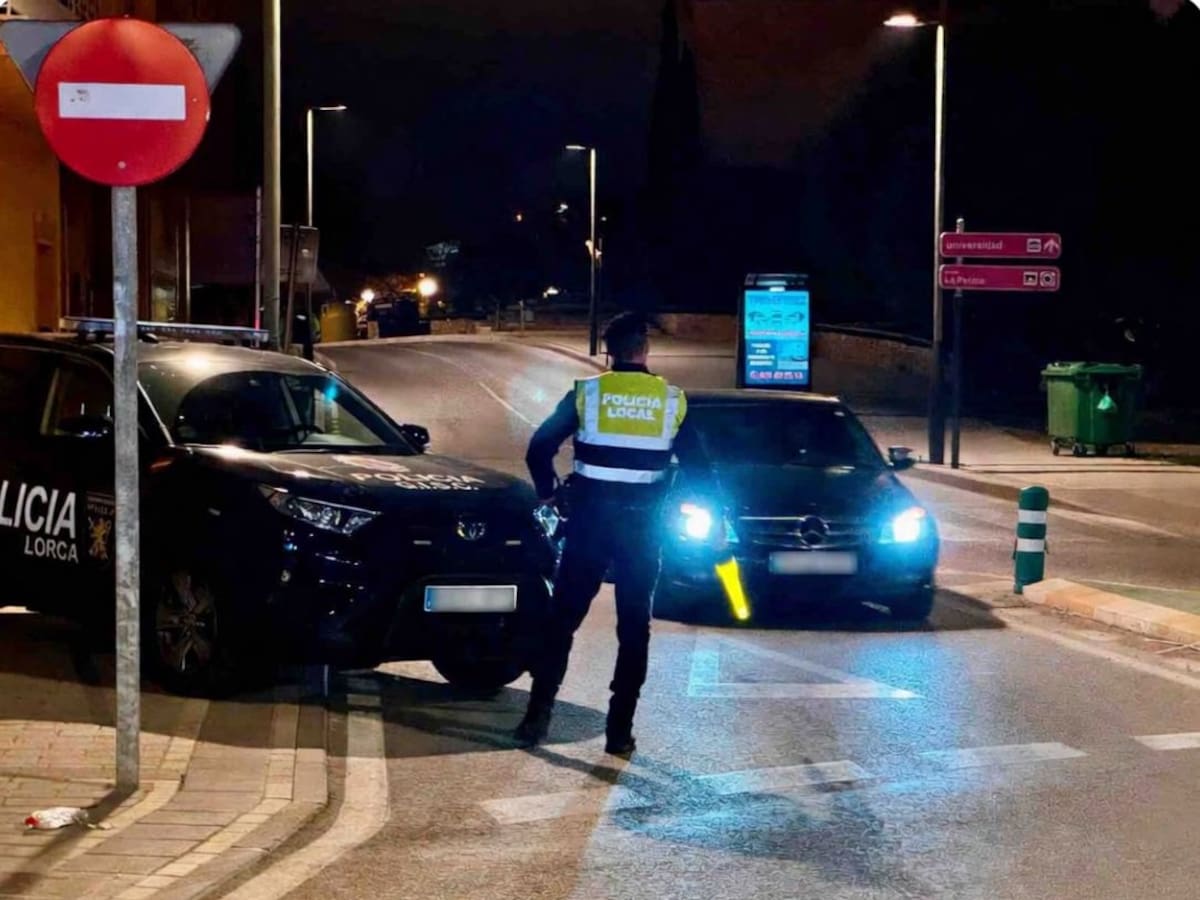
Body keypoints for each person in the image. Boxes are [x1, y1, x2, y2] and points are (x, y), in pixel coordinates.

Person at [516, 312, 707, 756]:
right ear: (645, 351)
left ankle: (536, 719)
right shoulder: (672, 401)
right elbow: (700, 471)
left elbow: (538, 449)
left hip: (589, 524)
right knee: (635, 628)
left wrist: (551, 494)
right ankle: (619, 732)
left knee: (562, 621)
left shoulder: (588, 394)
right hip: (642, 530)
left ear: (609, 352)